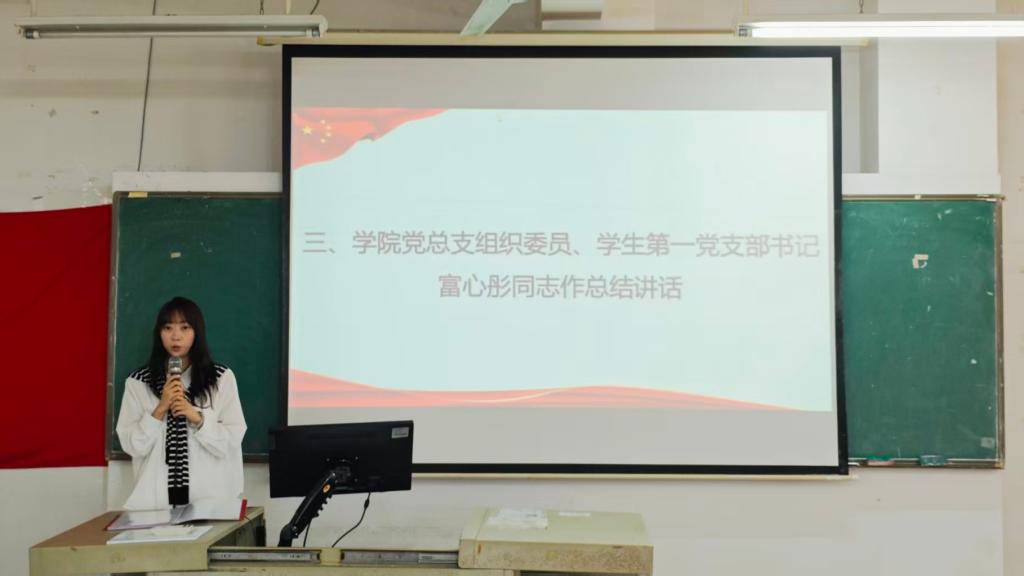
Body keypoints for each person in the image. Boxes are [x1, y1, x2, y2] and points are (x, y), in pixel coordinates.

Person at [116, 296, 246, 510]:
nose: (176, 336)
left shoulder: (220, 378)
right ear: (159, 333)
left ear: (197, 332)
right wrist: (160, 409)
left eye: (185, 328)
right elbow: (133, 446)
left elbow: (232, 439)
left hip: (211, 501)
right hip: (154, 503)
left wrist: (196, 417)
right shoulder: (138, 382)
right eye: (168, 328)